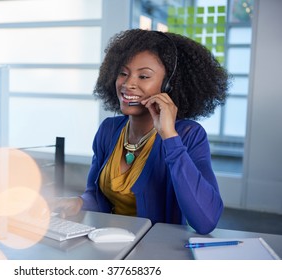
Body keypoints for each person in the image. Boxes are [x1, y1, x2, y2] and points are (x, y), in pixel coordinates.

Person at [54, 29, 229, 235]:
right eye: (123, 73)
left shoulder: (189, 135)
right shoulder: (109, 130)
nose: (128, 84)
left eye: (144, 76)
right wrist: (79, 202)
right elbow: (97, 197)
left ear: (169, 86)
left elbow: (206, 221)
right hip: (109, 242)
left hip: (155, 250)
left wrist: (169, 136)